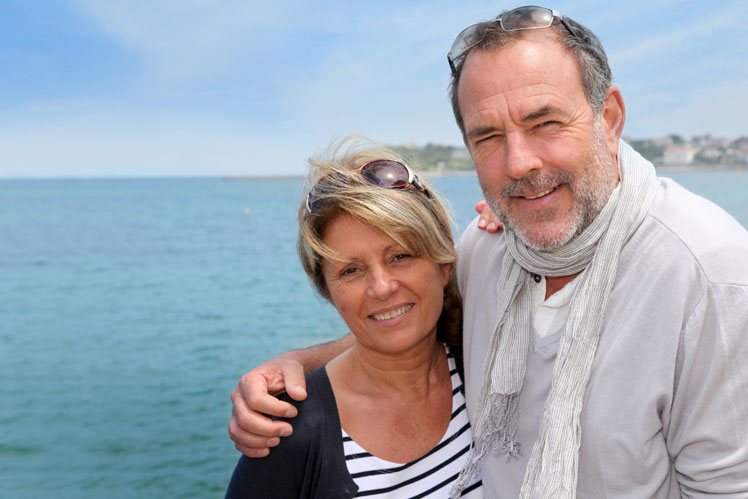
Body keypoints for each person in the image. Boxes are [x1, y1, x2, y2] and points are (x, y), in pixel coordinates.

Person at [228, 6, 748, 498]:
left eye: (544, 123)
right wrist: (290, 367)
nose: (519, 163)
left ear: (608, 118)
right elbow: (405, 322)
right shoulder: (488, 247)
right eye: (489, 136)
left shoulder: (709, 277)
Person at [225, 138, 483, 498]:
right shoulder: (291, 433)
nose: (381, 287)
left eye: (400, 256)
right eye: (351, 270)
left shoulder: (485, 365)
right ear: (327, 291)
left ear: (444, 262)